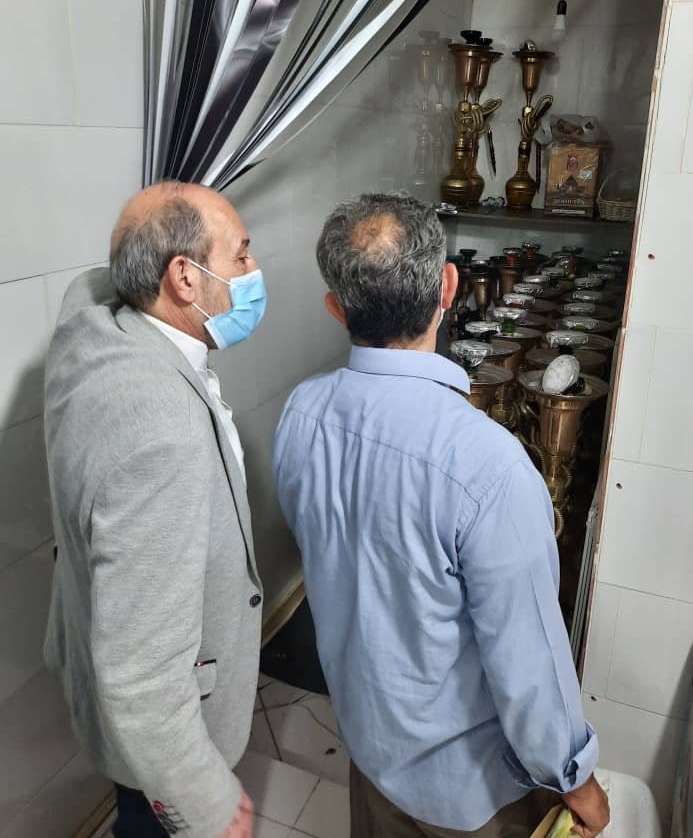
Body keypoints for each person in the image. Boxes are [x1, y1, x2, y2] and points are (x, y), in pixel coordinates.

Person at [273, 194, 611, 838]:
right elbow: (529, 663)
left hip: (371, 747)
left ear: (336, 307)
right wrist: (577, 779)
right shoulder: (490, 465)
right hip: (471, 793)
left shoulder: (303, 413)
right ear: (448, 288)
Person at [44, 182, 267, 838]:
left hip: (94, 656)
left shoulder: (91, 319)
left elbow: (93, 280)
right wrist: (206, 801)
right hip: (165, 732)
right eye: (240, 256)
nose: (253, 271)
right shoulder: (161, 431)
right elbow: (143, 678)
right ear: (184, 278)